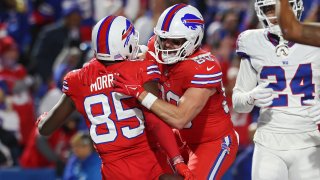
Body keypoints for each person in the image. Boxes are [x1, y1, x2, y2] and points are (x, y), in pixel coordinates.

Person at [37, 15, 192, 180]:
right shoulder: (140, 70)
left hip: (113, 172)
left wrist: (42, 120)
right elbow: (157, 120)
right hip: (148, 163)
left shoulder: (78, 79)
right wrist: (177, 161)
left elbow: (45, 129)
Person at [113, 4, 239, 179]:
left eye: (175, 41)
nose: (166, 45)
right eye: (163, 38)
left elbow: (180, 118)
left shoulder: (204, 66)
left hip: (211, 142)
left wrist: (140, 93)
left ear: (194, 40)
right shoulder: (154, 48)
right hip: (180, 138)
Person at [232, 0, 320, 179]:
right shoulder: (252, 41)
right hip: (268, 143)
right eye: (268, 9)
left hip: (308, 141)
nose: (274, 15)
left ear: (296, 8)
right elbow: (238, 103)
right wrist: (251, 97)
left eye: (279, 8)